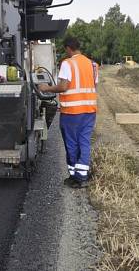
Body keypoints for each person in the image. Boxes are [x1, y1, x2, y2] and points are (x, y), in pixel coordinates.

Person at [39, 37, 98, 188]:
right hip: (90, 111)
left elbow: (63, 86)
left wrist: (46, 88)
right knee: (84, 142)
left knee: (71, 144)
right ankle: (82, 175)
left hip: (72, 112)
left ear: (68, 48)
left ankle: (75, 177)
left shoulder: (67, 63)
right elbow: (93, 86)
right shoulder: (92, 64)